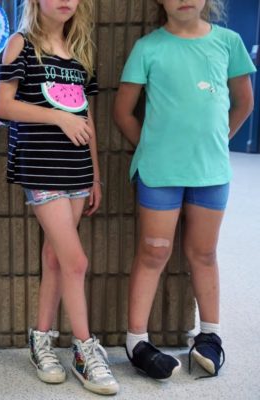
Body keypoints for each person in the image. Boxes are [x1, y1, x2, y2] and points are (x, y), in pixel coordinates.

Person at [114, 0, 255, 380]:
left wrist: (219, 140)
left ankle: (210, 335)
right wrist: (150, 148)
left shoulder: (229, 42)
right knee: (153, 251)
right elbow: (123, 111)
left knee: (204, 253)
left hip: (212, 172)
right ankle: (136, 340)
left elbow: (244, 102)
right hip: (159, 172)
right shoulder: (148, 47)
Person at [0, 0, 119, 395]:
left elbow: (88, 117)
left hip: (78, 171)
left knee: (55, 258)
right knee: (76, 261)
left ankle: (41, 341)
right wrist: (58, 117)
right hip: (41, 169)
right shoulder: (20, 44)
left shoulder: (81, 48)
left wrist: (96, 175)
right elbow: (3, 105)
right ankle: (85, 349)